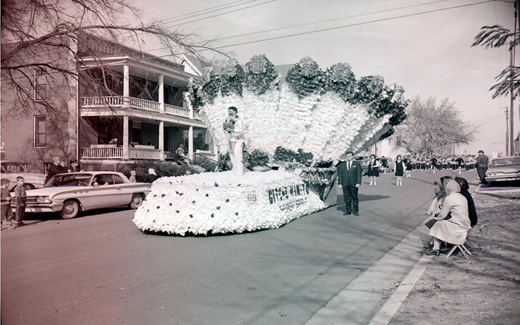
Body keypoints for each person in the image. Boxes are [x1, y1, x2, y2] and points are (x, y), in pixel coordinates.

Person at [426, 180, 471, 256]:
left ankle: (435, 248)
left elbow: (442, 214)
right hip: (464, 224)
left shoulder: (449, 198)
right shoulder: (462, 197)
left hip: (457, 226)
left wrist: (436, 218)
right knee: (439, 224)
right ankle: (437, 245)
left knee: (435, 224)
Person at [337, 151, 362, 216]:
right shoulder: (342, 165)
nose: (348, 157)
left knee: (354, 198)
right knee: (346, 198)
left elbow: (359, 174)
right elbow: (340, 175)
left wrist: (358, 182)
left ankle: (356, 211)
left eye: (350, 156)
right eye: (347, 156)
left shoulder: (356, 164)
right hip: (345, 184)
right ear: (345, 157)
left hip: (354, 184)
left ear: (352, 156)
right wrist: (340, 183)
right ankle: (348, 211)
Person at [223, 106, 246, 175]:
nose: (229, 112)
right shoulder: (227, 120)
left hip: (239, 139)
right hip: (231, 139)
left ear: (235, 112)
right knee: (232, 155)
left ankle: (240, 172)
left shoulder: (239, 120)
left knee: (238, 155)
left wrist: (232, 130)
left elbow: (241, 130)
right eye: (228, 111)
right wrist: (226, 130)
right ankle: (234, 171)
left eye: (230, 111)